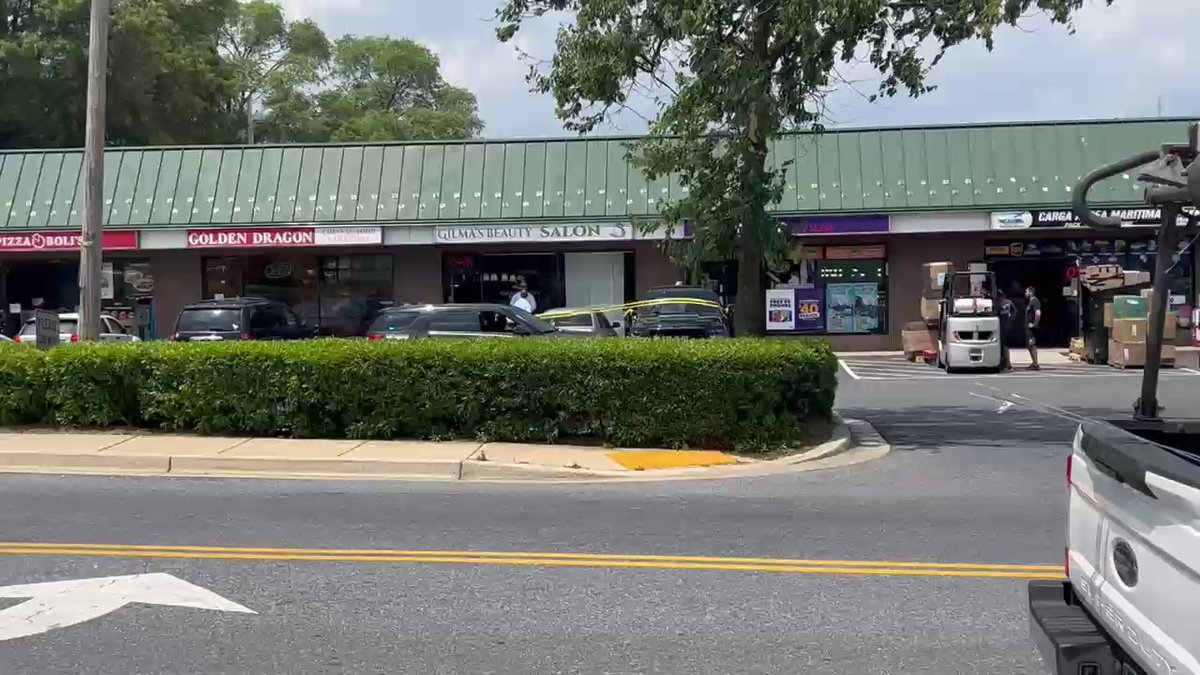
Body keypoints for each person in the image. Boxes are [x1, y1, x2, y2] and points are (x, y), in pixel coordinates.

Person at [1024, 286, 1042, 370]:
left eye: (1027, 292)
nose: (1025, 293)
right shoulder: (1030, 302)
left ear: (1031, 292)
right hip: (1028, 328)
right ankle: (1033, 362)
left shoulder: (1035, 301)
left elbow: (1038, 314)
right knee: (1029, 345)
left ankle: (1036, 364)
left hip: (1032, 328)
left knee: (1032, 344)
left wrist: (1034, 324)